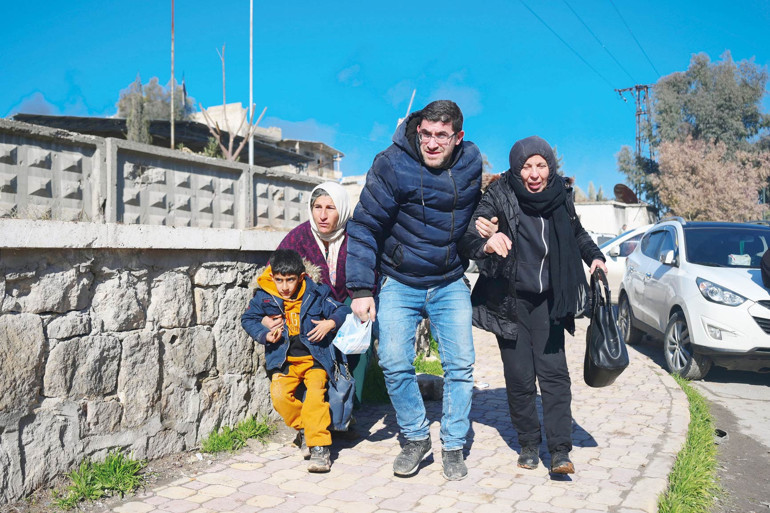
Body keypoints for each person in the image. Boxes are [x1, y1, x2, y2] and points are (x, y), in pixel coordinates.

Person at [346, 100, 482, 481]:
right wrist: (360, 288)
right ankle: (415, 437)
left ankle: (453, 445)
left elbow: (480, 214)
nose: (432, 143)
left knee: (460, 366)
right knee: (392, 360)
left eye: (442, 135)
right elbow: (365, 226)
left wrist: (491, 229)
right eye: (426, 134)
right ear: (416, 130)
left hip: (449, 279)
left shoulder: (471, 163)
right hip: (400, 279)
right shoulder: (391, 163)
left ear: (458, 137)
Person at [458, 135, 606, 475]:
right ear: (516, 167)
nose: (534, 173)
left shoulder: (561, 196)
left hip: (550, 301)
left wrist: (594, 258)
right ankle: (527, 442)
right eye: (527, 166)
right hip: (508, 302)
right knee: (520, 377)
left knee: (555, 376)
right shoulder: (498, 193)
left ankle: (559, 451)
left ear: (550, 167)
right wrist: (487, 240)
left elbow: (578, 233)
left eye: (541, 165)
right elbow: (470, 234)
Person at [241, 249, 351, 473]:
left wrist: (328, 324)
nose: (284, 286)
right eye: (279, 280)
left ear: (300, 277)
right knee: (279, 396)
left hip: (315, 359)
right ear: (272, 277)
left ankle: (320, 447)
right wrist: (264, 334)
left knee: (314, 400)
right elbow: (248, 319)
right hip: (284, 361)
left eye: (290, 280)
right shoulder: (263, 296)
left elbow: (341, 309)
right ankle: (306, 429)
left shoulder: (317, 293)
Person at [261, 182, 370, 407]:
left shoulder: (356, 236)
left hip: (349, 303)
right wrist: (268, 314)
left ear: (341, 209)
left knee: (356, 347)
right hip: (310, 307)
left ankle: (348, 411)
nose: (322, 215)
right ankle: (315, 417)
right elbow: (271, 277)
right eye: (317, 207)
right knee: (307, 353)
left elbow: (370, 271)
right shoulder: (298, 237)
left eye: (330, 208)